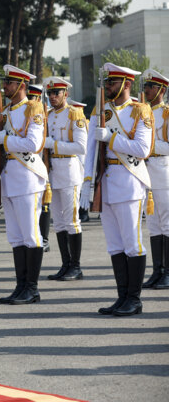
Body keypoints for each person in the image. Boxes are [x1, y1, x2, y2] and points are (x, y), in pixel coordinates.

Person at [81, 63, 152, 316]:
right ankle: (122, 297)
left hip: (129, 182)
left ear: (127, 84)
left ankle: (134, 299)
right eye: (107, 82)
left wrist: (110, 138)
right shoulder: (102, 111)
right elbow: (90, 150)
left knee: (132, 243)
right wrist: (86, 183)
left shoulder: (139, 110)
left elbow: (143, 149)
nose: (108, 87)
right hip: (107, 183)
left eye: (112, 82)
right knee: (114, 244)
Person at [0, 65, 48, 305]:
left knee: (31, 234)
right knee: (16, 236)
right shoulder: (6, 111)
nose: (5, 87)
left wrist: (6, 139)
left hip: (28, 178)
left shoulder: (33, 108)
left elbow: (34, 143)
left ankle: (32, 288)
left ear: (21, 85)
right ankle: (21, 286)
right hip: (9, 178)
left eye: (9, 83)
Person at [43, 77, 87, 281]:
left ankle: (76, 267)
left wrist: (53, 144)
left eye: (56, 93)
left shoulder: (74, 114)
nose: (52, 97)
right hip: (53, 172)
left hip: (69, 170)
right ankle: (65, 264)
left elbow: (81, 146)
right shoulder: (48, 115)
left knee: (71, 221)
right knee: (59, 222)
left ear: (65, 95)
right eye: (50, 93)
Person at [141, 69, 169, 289]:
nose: (147, 90)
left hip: (163, 170)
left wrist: (148, 146)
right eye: (146, 86)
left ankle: (168, 272)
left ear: (162, 89)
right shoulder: (142, 112)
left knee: (167, 223)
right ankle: (157, 270)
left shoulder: (167, 113)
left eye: (151, 86)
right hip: (146, 172)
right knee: (153, 224)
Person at [27, 84, 51, 252]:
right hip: (31, 163)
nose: (31, 101)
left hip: (47, 163)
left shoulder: (46, 115)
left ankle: (45, 238)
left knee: (45, 205)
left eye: (34, 98)